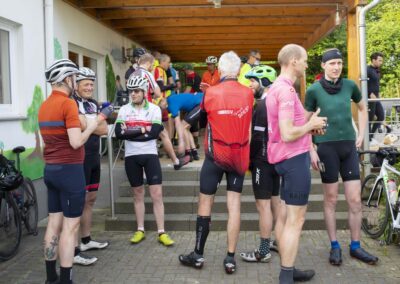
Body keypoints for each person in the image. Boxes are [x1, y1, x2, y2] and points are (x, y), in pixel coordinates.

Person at [179, 51, 253, 274]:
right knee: (234, 207)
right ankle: (230, 258)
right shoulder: (249, 94)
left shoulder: (210, 93)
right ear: (239, 70)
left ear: (219, 70)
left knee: (205, 205)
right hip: (239, 157)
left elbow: (188, 123)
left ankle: (198, 255)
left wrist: (185, 148)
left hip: (214, 158)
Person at [39, 59, 112, 284]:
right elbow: (76, 141)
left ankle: (51, 278)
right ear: (67, 79)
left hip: (51, 170)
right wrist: (96, 121)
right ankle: (66, 280)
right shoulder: (68, 104)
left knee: (54, 224)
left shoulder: (45, 105)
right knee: (70, 228)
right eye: (73, 78)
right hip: (70, 171)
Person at [305, 48, 378, 267]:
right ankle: (334, 245)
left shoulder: (350, 86)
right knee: (331, 199)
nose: (336, 67)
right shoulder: (314, 90)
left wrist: (361, 134)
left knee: (355, 199)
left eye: (339, 63)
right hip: (326, 148)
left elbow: (363, 109)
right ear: (324, 66)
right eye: (332, 63)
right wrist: (310, 149)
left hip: (348, 147)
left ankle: (355, 246)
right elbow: (304, 121)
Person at [266, 44, 326, 284]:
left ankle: (287, 269)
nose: (306, 64)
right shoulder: (286, 92)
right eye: (304, 60)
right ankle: (286, 275)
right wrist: (310, 126)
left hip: (284, 159)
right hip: (293, 160)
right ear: (293, 61)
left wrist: (310, 126)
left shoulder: (276, 88)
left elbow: (290, 129)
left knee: (284, 217)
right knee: (295, 220)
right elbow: (288, 133)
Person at [115, 75, 175, 247]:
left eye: (136, 91)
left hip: (150, 155)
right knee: (138, 194)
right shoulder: (124, 110)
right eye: (130, 91)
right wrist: (143, 129)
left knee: (156, 194)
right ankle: (140, 229)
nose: (132, 94)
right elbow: (120, 134)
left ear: (144, 92)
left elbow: (155, 132)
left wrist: (132, 132)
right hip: (131, 157)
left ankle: (161, 232)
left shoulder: (154, 109)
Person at [239, 65, 280, 263]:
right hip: (276, 160)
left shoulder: (263, 105)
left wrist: (248, 162)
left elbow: (256, 137)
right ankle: (279, 242)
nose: (250, 84)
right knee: (275, 202)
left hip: (262, 162)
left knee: (263, 207)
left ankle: (263, 251)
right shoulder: (278, 101)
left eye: (253, 80)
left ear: (264, 82)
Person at [71, 67, 109, 266]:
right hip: (80, 158)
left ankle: (86, 241)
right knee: (78, 202)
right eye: (86, 83)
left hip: (95, 156)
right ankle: (75, 248)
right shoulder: (72, 103)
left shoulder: (93, 103)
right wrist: (93, 123)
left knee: (91, 199)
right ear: (76, 85)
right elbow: (81, 125)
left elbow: (103, 128)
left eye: (92, 84)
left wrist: (91, 123)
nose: (89, 87)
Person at [134, 53, 189, 170]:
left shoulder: (134, 74)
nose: (153, 67)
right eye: (152, 65)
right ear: (148, 63)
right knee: (163, 134)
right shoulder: (147, 74)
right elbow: (157, 92)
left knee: (144, 138)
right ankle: (175, 161)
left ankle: (146, 169)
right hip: (148, 109)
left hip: (135, 111)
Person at [159, 92, 204, 160]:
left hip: (200, 103)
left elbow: (177, 123)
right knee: (186, 128)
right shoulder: (171, 98)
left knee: (183, 127)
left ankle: (188, 152)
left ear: (164, 100)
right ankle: (194, 152)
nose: (162, 108)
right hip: (195, 105)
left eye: (161, 106)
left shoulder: (171, 103)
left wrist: (181, 142)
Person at [368, 52, 388, 140]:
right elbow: (362, 84)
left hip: (376, 98)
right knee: (370, 118)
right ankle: (368, 138)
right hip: (370, 98)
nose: (381, 62)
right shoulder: (367, 69)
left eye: (381, 61)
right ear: (373, 60)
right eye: (379, 60)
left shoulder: (377, 70)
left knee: (381, 116)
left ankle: (371, 135)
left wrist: (378, 94)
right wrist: (369, 93)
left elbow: (375, 84)